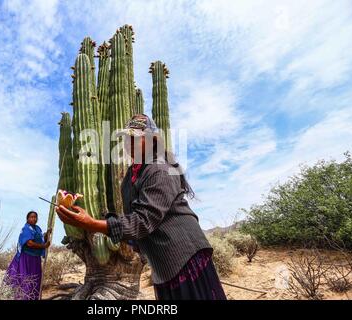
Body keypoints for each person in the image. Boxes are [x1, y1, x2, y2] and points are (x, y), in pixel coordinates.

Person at [56, 114, 226, 300]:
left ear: (152, 140)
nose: (129, 143)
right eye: (127, 138)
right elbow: (136, 221)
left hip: (184, 255)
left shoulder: (159, 169)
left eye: (136, 138)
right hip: (164, 262)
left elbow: (144, 221)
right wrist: (98, 224)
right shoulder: (131, 177)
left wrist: (92, 224)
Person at [4, 210, 51, 300]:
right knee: (26, 279)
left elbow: (39, 239)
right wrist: (44, 246)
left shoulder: (37, 228)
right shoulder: (26, 229)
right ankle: (24, 298)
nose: (33, 219)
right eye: (31, 217)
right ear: (27, 219)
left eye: (35, 217)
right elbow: (29, 243)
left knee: (36, 279)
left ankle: (33, 297)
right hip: (26, 258)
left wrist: (47, 234)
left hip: (35, 258)